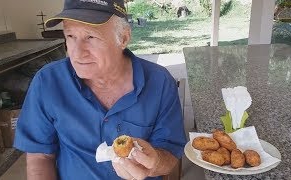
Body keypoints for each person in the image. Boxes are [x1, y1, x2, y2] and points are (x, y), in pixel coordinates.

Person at [13, 0, 186, 180]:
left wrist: (154, 163)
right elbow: (40, 156)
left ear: (124, 38)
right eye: (70, 36)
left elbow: (171, 154)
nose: (77, 53)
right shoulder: (47, 82)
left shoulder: (160, 82)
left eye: (91, 37)